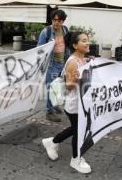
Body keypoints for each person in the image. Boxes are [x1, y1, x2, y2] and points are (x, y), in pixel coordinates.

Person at [42, 31, 92, 174]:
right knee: (79, 130)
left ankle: (52, 142)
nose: (87, 43)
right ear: (75, 45)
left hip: (81, 103)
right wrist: (77, 77)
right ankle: (75, 159)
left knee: (77, 129)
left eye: (87, 40)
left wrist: (89, 62)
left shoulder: (82, 59)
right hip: (74, 104)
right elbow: (69, 86)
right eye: (83, 41)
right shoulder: (72, 62)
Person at [37, 9, 70, 122]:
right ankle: (49, 112)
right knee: (51, 88)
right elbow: (39, 49)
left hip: (63, 63)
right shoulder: (46, 32)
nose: (56, 22)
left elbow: (68, 46)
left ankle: (55, 106)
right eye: (54, 20)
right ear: (52, 20)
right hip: (51, 64)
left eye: (59, 20)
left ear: (63, 21)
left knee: (59, 86)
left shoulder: (65, 30)